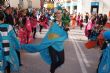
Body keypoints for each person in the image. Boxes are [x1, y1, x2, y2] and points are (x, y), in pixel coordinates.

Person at [21, 6, 69, 73]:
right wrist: (61, 33)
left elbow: (63, 32)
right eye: (58, 13)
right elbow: (51, 35)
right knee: (54, 61)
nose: (60, 14)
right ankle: (52, 70)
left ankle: (52, 68)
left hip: (60, 46)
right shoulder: (54, 23)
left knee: (61, 61)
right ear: (55, 14)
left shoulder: (63, 23)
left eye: (61, 13)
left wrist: (65, 30)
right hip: (52, 45)